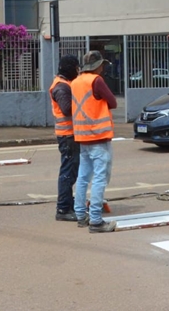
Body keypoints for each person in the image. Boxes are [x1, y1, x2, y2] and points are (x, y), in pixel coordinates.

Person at [71, 50, 117, 233]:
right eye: (102, 65)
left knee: (83, 177)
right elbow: (112, 102)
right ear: (98, 66)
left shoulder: (75, 82)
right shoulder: (96, 81)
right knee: (99, 178)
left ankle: (81, 215)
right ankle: (96, 220)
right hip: (98, 136)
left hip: (82, 137)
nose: (103, 68)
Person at [49, 55, 80, 221]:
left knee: (71, 171)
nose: (78, 71)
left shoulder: (65, 84)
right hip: (68, 135)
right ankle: (63, 209)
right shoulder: (61, 87)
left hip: (70, 135)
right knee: (68, 172)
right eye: (76, 68)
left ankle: (68, 203)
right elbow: (67, 109)